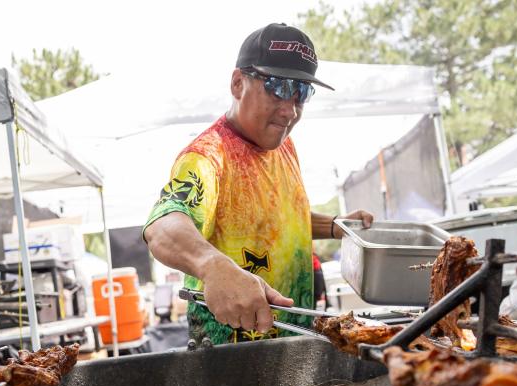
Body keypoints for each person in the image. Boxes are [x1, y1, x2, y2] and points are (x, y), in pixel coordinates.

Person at [143, 23, 373, 344]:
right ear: (238, 83)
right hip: (232, 354)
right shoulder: (208, 157)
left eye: (301, 93)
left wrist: (336, 225)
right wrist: (211, 266)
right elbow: (163, 225)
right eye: (278, 87)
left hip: (295, 342)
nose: (290, 109)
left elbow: (280, 219)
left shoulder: (284, 146)